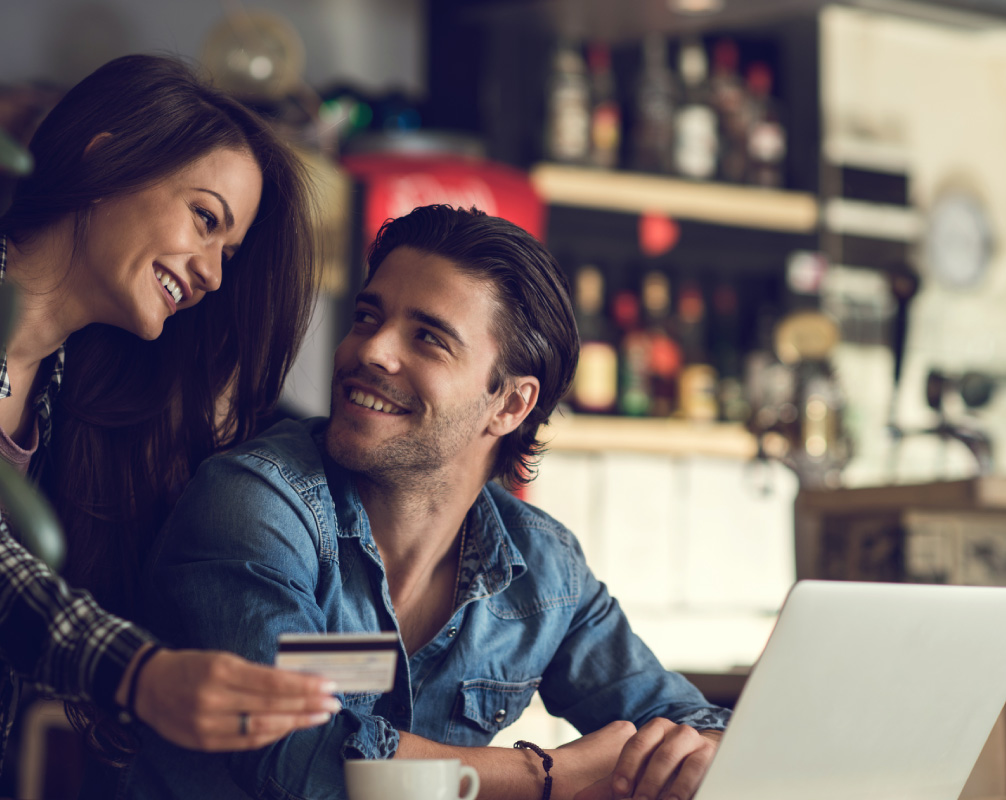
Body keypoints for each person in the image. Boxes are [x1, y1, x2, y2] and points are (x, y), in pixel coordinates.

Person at [0, 55, 340, 800]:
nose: (214, 273)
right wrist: (138, 674)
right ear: (108, 160)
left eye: (230, 253)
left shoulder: (76, 414)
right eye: (205, 220)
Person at [119, 205, 731, 800]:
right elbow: (297, 759)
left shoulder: (545, 572)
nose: (371, 350)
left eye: (428, 339)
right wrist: (543, 777)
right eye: (366, 316)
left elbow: (689, 722)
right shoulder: (255, 502)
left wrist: (703, 752)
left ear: (510, 405)